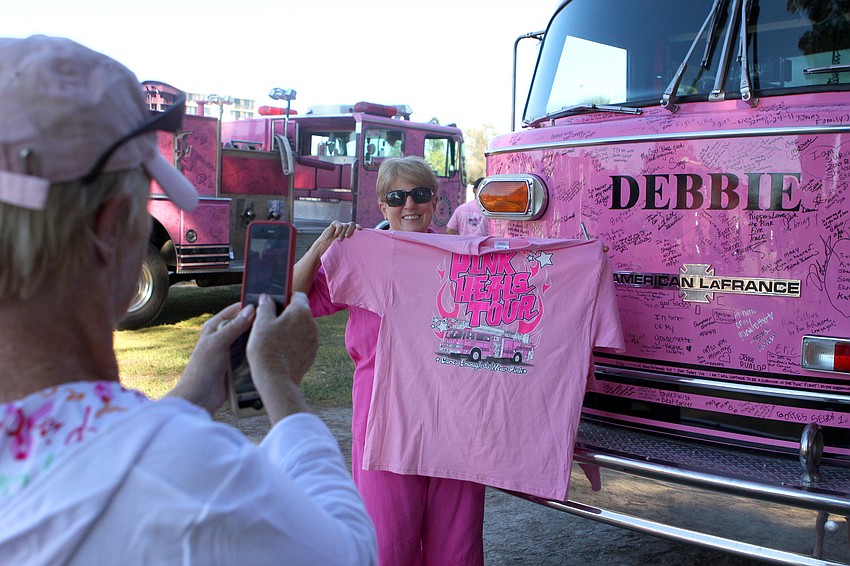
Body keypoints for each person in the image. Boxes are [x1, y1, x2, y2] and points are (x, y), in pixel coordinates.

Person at [0, 36, 376, 565]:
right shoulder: (195, 482)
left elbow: (89, 453)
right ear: (111, 232)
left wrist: (195, 393)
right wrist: (281, 388)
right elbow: (350, 552)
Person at [294, 156, 486, 566]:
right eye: (396, 197)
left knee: (458, 547)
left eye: (419, 194)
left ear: (436, 201)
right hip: (384, 418)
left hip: (455, 416)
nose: (409, 206)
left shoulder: (467, 258)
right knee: (387, 543)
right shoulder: (362, 255)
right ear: (382, 206)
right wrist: (321, 246)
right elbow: (286, 297)